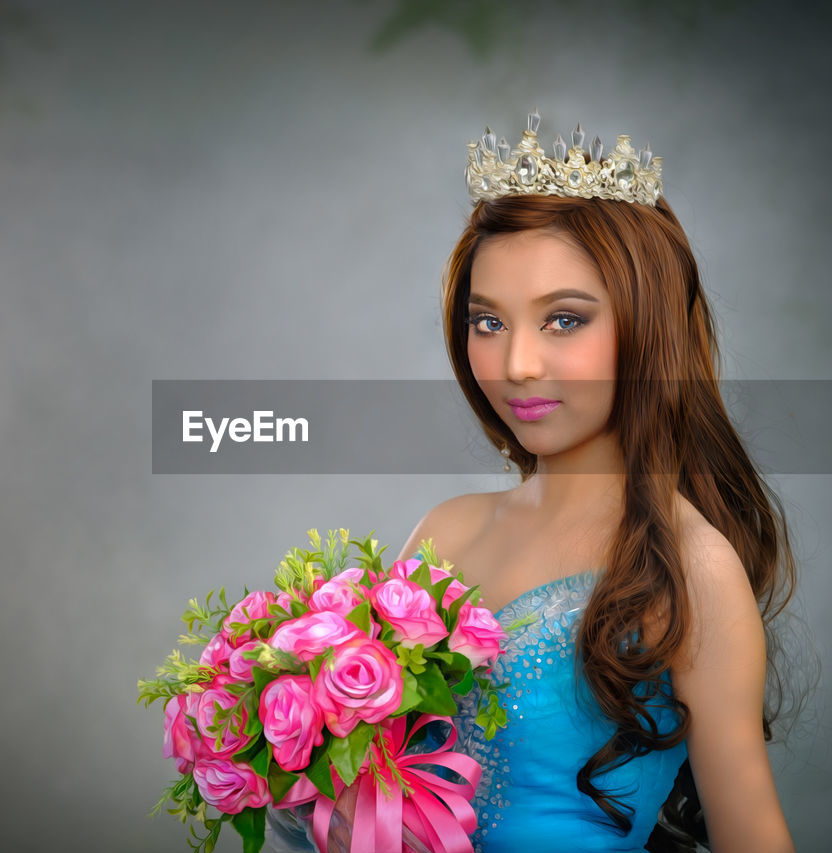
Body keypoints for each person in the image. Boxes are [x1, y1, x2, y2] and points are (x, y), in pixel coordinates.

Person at [268, 111, 800, 852]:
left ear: (650, 329)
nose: (516, 363)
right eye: (488, 323)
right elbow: (372, 791)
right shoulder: (446, 530)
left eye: (563, 320)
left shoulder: (692, 567)